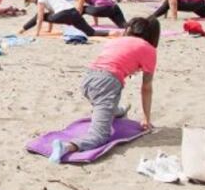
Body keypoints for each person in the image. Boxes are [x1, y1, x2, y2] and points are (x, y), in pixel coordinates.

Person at [49, 17, 159, 163]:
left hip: (88, 80)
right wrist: (146, 118)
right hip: (107, 85)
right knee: (99, 136)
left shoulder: (117, 40)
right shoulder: (149, 49)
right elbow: (146, 87)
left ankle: (118, 110)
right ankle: (66, 147)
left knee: (106, 103)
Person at [19, 0, 98, 37]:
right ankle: (109, 33)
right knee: (91, 33)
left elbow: (40, 17)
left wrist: (37, 33)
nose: (32, 2)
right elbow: (51, 14)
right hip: (74, 13)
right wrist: (49, 30)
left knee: (38, 15)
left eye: (30, 0)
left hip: (64, 15)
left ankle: (22, 29)